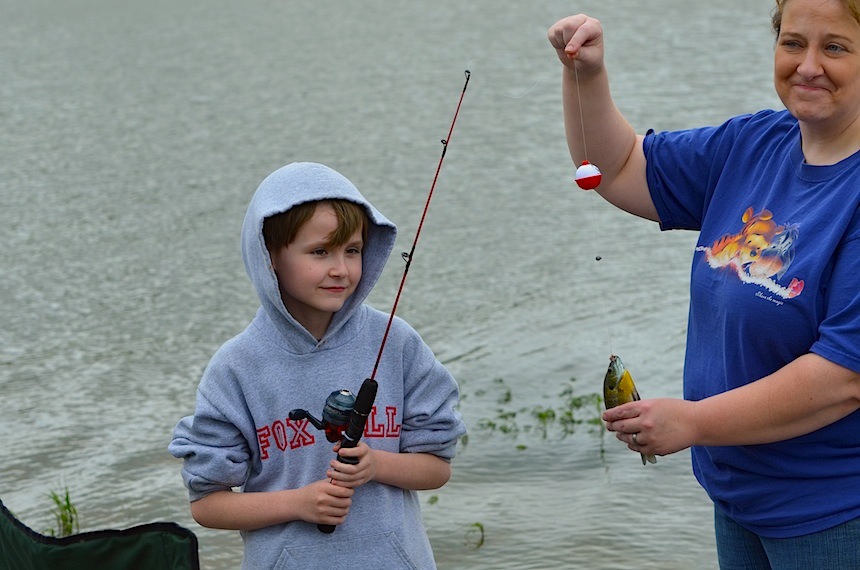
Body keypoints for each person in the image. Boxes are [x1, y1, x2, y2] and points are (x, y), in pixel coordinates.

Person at [549, 1, 860, 567]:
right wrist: (586, 74)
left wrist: (692, 422)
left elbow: (843, 378)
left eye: (835, 47)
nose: (808, 65)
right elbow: (613, 169)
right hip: (736, 499)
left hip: (835, 514)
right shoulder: (750, 145)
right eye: (792, 43)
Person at [168, 162, 466, 569]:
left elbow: (436, 468)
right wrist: (299, 503)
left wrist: (377, 464)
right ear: (270, 256)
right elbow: (207, 505)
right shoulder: (236, 367)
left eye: (353, 251)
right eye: (319, 251)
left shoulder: (396, 342)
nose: (340, 269)